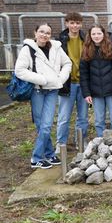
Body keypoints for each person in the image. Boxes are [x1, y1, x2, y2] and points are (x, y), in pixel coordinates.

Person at [15, 23, 71, 168]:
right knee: (42, 126)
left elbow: (67, 63)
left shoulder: (56, 47)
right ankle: (39, 157)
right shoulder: (28, 49)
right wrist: (41, 80)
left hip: (52, 90)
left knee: (46, 125)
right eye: (41, 32)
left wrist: (61, 78)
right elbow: (19, 70)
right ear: (35, 33)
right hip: (37, 91)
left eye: (47, 33)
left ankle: (45, 155)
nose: (44, 35)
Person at [80, 24, 112, 137]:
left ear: (104, 34)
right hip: (96, 93)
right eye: (93, 34)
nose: (96, 36)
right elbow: (83, 74)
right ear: (90, 36)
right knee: (99, 121)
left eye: (99, 33)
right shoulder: (86, 51)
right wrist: (86, 93)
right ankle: (101, 142)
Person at [55, 12, 88, 152]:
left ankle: (80, 142)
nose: (75, 26)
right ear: (67, 23)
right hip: (67, 83)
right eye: (72, 23)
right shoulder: (59, 41)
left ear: (81, 24)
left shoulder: (86, 39)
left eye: (78, 23)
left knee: (83, 116)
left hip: (84, 83)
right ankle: (60, 144)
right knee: (64, 116)